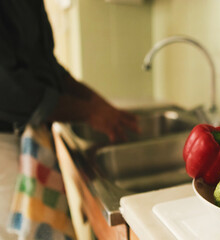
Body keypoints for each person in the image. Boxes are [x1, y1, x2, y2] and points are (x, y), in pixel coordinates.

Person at [0, 1, 140, 239]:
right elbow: (8, 88)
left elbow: (49, 69)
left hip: (28, 138)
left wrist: (98, 104)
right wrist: (90, 112)